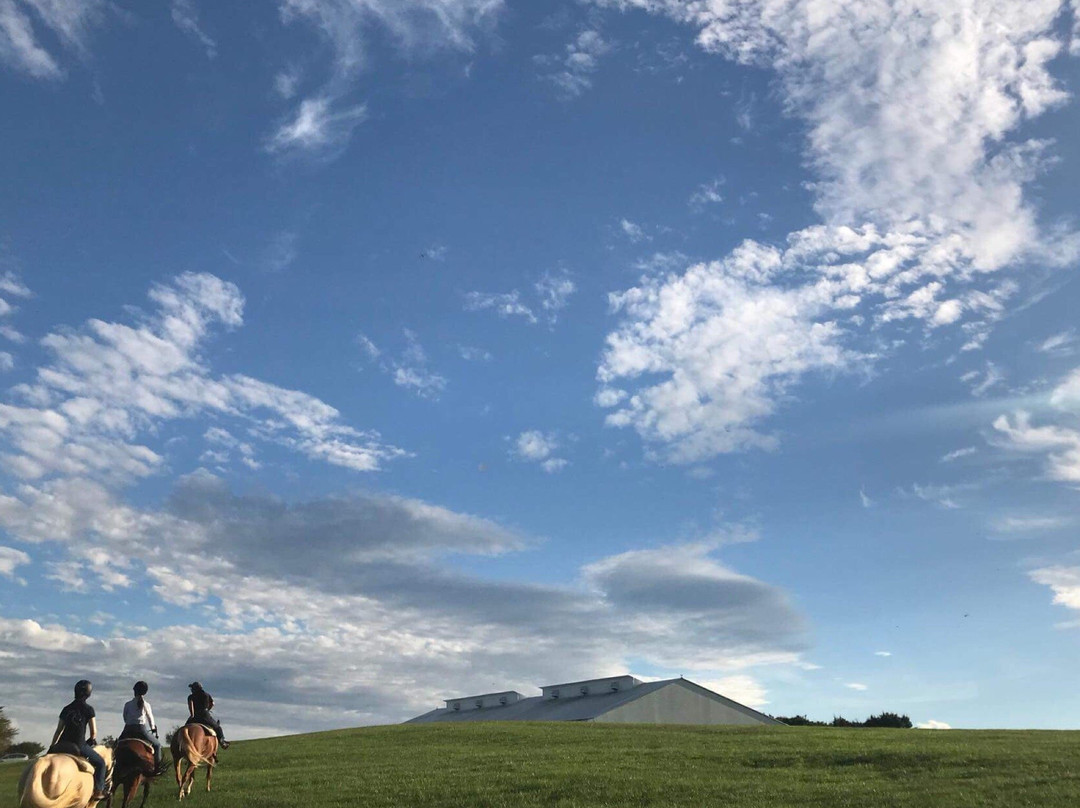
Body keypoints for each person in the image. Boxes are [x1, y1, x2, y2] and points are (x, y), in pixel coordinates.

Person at [50, 679, 108, 801]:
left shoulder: (66, 709)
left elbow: (58, 730)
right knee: (101, 763)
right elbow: (93, 732)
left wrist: (52, 746)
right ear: (88, 693)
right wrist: (92, 740)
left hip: (62, 743)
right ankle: (98, 791)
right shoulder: (89, 709)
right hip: (78, 744)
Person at [121, 680, 164, 771]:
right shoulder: (146, 704)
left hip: (128, 729)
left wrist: (129, 723)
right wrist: (153, 728)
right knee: (157, 745)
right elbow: (150, 718)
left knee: (116, 745)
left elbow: (125, 717)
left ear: (134, 691)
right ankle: (157, 768)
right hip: (140, 729)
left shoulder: (127, 704)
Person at [186, 682, 229, 749]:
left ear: (195, 689)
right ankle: (222, 742)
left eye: (192, 688)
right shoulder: (206, 695)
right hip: (205, 716)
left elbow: (190, 705)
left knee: (184, 728)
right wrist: (208, 709)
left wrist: (192, 715)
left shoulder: (191, 697)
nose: (191, 690)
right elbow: (213, 703)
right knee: (218, 728)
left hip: (195, 717)